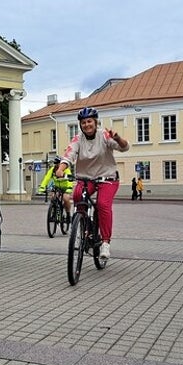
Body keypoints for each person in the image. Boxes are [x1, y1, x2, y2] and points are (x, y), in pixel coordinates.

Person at [55, 107, 129, 261]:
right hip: (86, 178)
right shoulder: (77, 139)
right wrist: (61, 169)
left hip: (107, 178)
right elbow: (69, 155)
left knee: (102, 205)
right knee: (77, 196)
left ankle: (105, 242)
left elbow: (124, 147)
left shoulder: (104, 135)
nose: (86, 125)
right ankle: (86, 227)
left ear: (95, 122)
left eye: (89, 121)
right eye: (83, 122)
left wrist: (117, 138)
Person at [37, 156, 73, 221]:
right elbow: (46, 178)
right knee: (53, 196)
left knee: (66, 198)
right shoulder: (52, 170)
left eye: (58, 163)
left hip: (66, 187)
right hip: (57, 187)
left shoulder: (66, 170)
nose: (57, 165)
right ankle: (54, 210)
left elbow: (70, 180)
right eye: (55, 163)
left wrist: (69, 188)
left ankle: (68, 214)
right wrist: (42, 187)